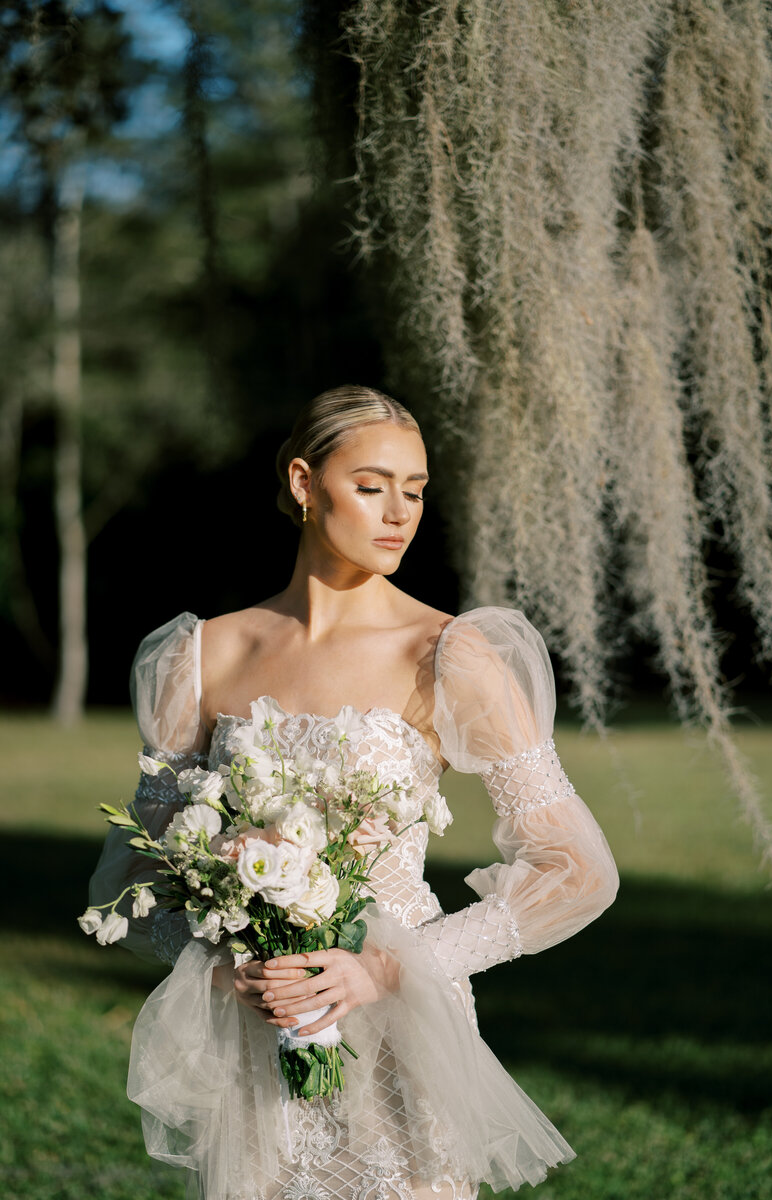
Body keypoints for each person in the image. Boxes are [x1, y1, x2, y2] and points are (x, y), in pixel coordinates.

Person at [88, 384, 619, 1200]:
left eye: (414, 490)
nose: (398, 512)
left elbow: (576, 869)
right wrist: (223, 964)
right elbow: (132, 877)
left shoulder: (449, 652)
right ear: (304, 484)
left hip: (402, 1027)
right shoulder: (200, 655)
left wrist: (387, 968)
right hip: (257, 1037)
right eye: (371, 486)